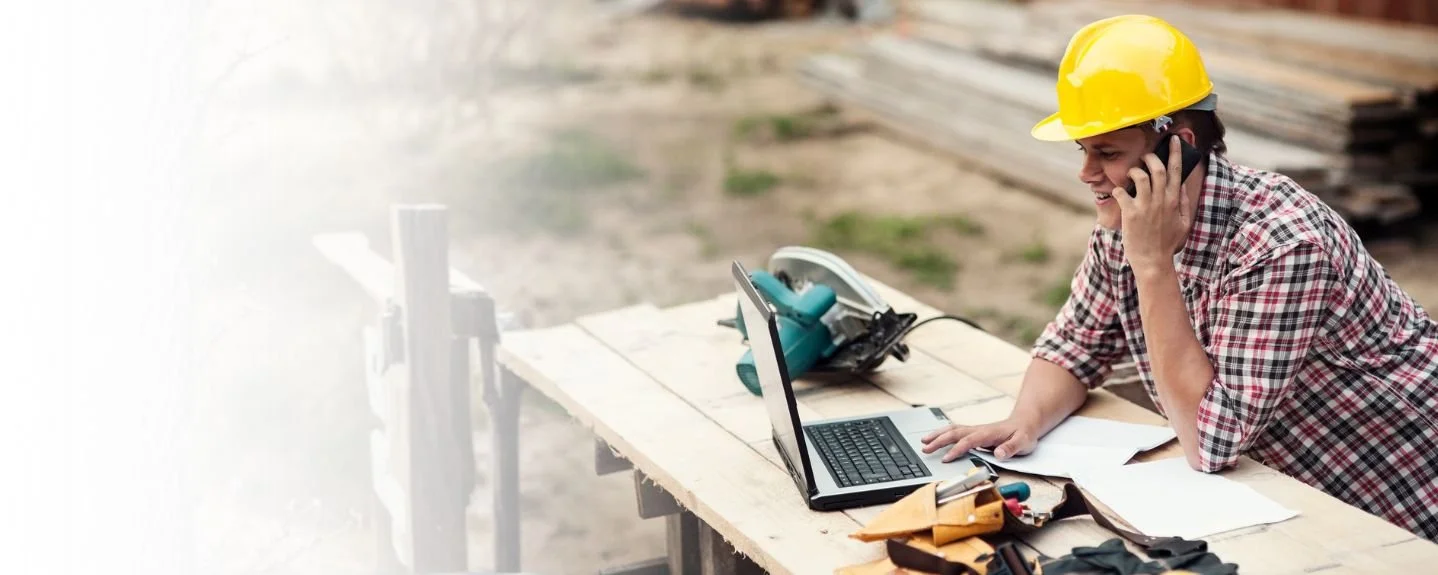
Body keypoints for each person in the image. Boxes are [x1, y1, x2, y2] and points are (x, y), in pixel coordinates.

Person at [919, 14, 1438, 541]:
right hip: (1286, 485)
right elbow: (1076, 345)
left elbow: (1209, 442)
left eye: (1108, 152)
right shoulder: (1131, 219)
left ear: (1179, 144)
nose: (1085, 173)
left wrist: (1152, 265)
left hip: (1395, 501)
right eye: (1084, 150)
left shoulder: (1280, 244)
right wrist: (1024, 420)